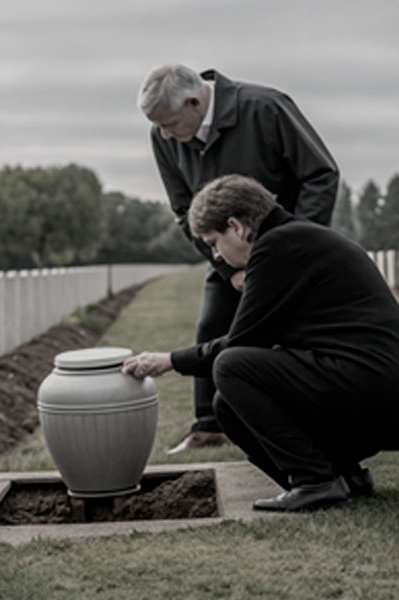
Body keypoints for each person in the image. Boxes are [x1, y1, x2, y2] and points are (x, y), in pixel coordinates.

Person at [122, 175, 399, 511]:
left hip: (387, 393)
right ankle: (343, 475)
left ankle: (316, 482)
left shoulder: (278, 246)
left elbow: (241, 345)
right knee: (227, 407)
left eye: (214, 242)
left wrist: (171, 360)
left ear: (235, 226)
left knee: (231, 367)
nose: (216, 256)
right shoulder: (295, 239)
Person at [137, 64, 340, 454]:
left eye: (170, 123)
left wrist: (295, 245)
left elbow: (320, 174)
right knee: (213, 322)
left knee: (290, 336)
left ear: (195, 102)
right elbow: (184, 209)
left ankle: (312, 421)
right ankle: (209, 426)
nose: (164, 135)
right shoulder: (163, 135)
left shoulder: (266, 107)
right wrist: (230, 268)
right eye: (158, 127)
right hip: (227, 258)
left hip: (290, 249)